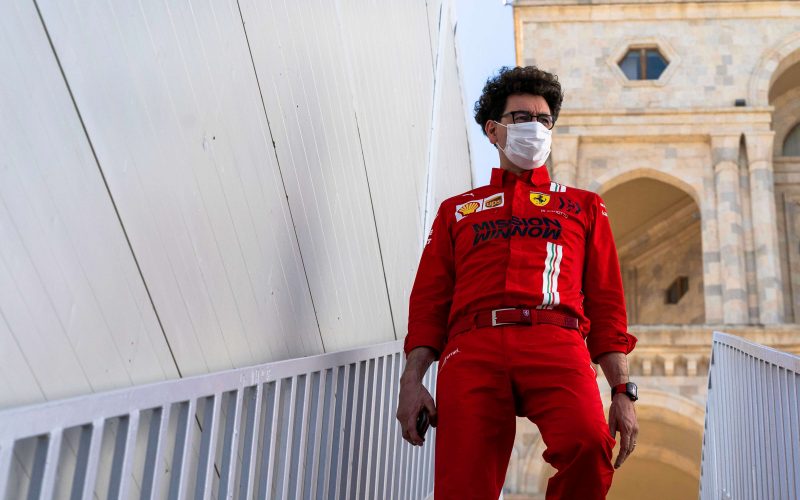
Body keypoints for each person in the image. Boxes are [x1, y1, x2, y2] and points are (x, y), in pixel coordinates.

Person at [396, 66, 639, 499]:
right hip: (471, 347)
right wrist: (412, 382)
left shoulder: (582, 206)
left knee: (589, 445)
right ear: (493, 130)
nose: (536, 128)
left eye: (544, 120)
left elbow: (607, 303)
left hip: (556, 339)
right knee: (463, 486)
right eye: (522, 118)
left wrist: (622, 391)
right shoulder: (459, 210)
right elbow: (429, 302)